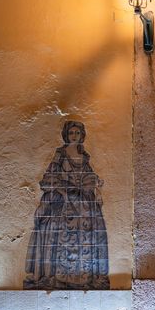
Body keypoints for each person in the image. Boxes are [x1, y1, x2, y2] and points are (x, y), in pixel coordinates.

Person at [24, 120, 110, 290]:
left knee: (91, 227)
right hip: (64, 200)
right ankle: (60, 276)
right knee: (59, 228)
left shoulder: (84, 157)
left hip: (83, 202)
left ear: (82, 135)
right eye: (71, 133)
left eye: (77, 133)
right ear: (66, 134)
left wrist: (94, 183)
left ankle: (84, 276)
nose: (74, 136)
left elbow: (89, 176)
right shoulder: (60, 155)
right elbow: (49, 177)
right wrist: (64, 190)